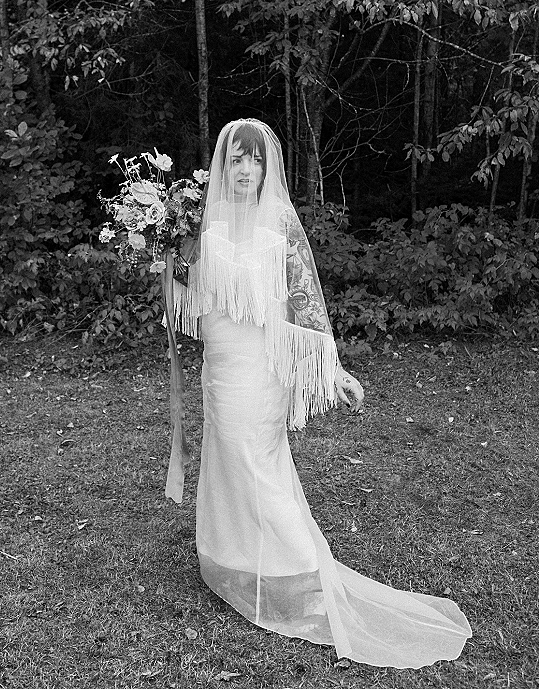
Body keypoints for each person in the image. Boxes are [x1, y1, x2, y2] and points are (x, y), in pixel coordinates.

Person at [168, 118, 472, 668]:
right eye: (235, 159)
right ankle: (231, 557)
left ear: (267, 170)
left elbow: (305, 313)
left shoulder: (277, 232)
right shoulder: (204, 234)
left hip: (260, 377)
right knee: (228, 462)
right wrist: (158, 260)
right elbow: (191, 303)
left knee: (255, 461)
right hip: (220, 373)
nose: (244, 170)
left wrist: (333, 373)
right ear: (221, 166)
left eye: (253, 160)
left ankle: (301, 567)